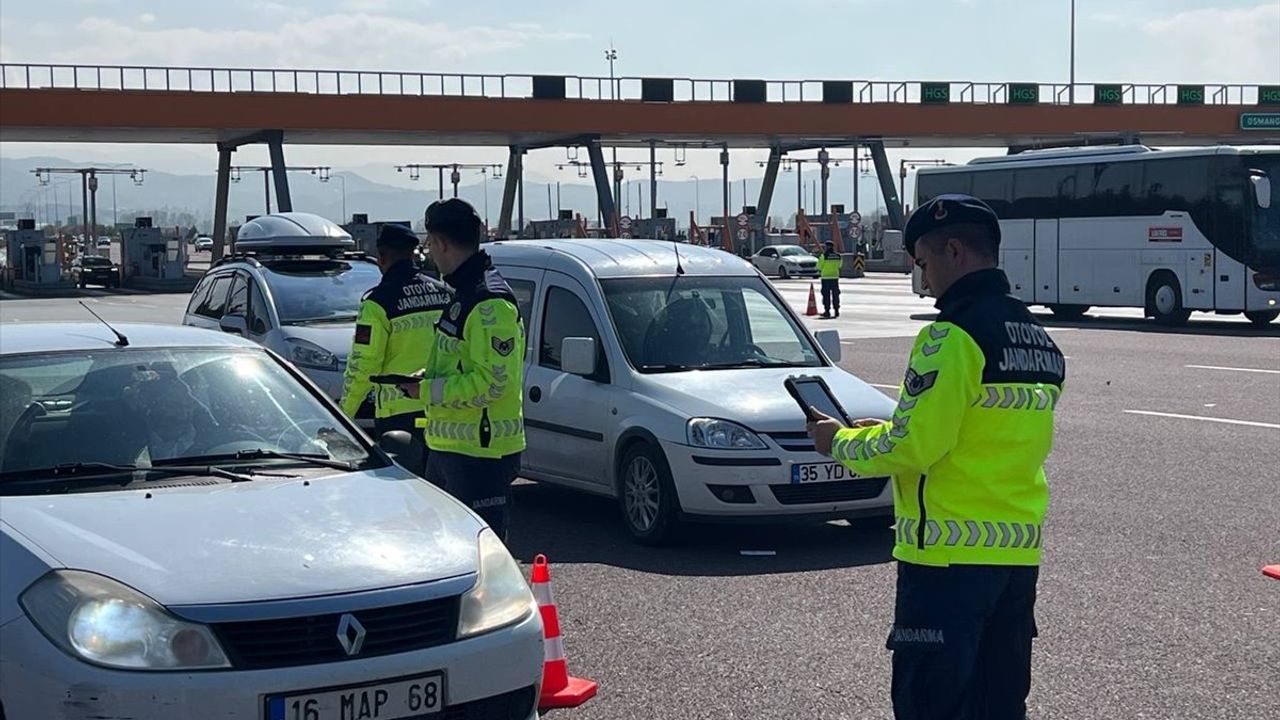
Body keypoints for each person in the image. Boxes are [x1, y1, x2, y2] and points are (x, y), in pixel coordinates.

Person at [806, 194, 1066, 720]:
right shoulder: (1038, 340)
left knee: (930, 704)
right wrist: (894, 427)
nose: (924, 279)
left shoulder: (948, 337)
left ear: (954, 251)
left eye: (924, 264)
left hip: (946, 562)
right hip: (1015, 559)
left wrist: (839, 442)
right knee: (999, 704)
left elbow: (914, 448)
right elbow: (980, 431)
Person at [401, 199, 525, 541]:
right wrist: (426, 379)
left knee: (480, 555)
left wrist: (426, 391)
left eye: (429, 244)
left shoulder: (488, 302)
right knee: (445, 551)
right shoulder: (464, 293)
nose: (429, 253)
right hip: (450, 448)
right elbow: (461, 364)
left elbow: (494, 383)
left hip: (480, 453)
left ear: (441, 243)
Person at [340, 223, 451, 477]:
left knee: (406, 492)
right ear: (414, 254)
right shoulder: (444, 293)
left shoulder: (378, 302)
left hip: (399, 416)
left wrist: (343, 415)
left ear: (381, 258)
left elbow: (363, 365)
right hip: (441, 407)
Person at [817, 240, 842, 318]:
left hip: (826, 278)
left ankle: (827, 311)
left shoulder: (824, 256)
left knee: (826, 295)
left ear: (826, 247)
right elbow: (840, 266)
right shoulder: (838, 256)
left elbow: (819, 266)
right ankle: (836, 310)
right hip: (835, 278)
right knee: (835, 295)